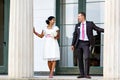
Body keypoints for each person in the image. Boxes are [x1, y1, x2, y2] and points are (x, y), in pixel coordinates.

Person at [71, 12, 104, 79]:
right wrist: (72, 44)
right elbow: (75, 35)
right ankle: (82, 74)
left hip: (86, 43)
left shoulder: (90, 24)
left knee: (86, 57)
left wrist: (106, 30)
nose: (78, 18)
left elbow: (97, 28)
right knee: (79, 59)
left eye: (79, 16)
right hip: (78, 43)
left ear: (83, 16)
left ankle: (87, 74)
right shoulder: (77, 25)